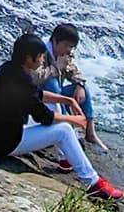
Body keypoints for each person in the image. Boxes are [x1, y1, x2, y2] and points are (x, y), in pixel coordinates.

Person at [0, 32, 123, 201]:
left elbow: (36, 95)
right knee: (63, 130)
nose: (42, 60)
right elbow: (44, 117)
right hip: (6, 143)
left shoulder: (10, 70)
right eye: (40, 57)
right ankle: (93, 183)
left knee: (56, 112)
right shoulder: (20, 81)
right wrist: (75, 120)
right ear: (28, 58)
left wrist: (67, 100)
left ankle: (65, 160)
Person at [39, 22, 107, 152]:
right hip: (39, 99)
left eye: (71, 47)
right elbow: (37, 77)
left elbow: (73, 71)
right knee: (52, 83)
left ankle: (90, 133)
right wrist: (56, 68)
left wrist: (79, 84)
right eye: (66, 46)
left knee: (83, 90)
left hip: (57, 96)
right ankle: (68, 130)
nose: (69, 50)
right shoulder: (39, 51)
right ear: (54, 41)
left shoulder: (64, 53)